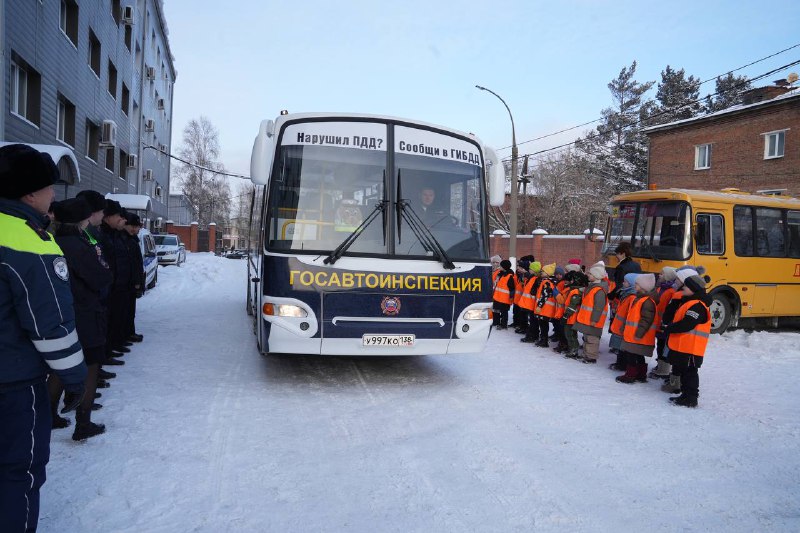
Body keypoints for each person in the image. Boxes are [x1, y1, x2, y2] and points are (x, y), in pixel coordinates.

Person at [0, 144, 87, 530]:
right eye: (50, 187)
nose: (54, 195)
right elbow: (51, 325)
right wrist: (75, 379)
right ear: (29, 193)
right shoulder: (29, 239)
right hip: (13, 385)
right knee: (18, 473)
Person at [51, 197, 112, 440]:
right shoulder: (79, 245)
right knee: (90, 366)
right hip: (85, 313)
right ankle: (83, 423)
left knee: (58, 366)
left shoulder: (53, 241)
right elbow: (100, 278)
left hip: (61, 314)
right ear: (82, 220)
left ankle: (49, 416)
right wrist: (100, 261)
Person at [664, 270, 712, 408]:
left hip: (691, 348)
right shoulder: (691, 303)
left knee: (690, 373)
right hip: (685, 347)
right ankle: (685, 395)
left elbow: (687, 324)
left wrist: (670, 328)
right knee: (685, 372)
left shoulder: (697, 306)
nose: (683, 288)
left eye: (686, 286)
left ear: (693, 289)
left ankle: (691, 398)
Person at [615, 273, 658, 384]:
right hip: (633, 334)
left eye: (637, 284)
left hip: (637, 336)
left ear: (644, 287)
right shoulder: (640, 299)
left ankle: (631, 375)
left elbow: (646, 320)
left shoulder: (647, 301)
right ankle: (640, 374)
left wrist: (639, 334)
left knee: (632, 356)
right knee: (637, 355)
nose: (635, 285)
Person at [574, 263, 609, 364]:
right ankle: (586, 354)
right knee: (587, 337)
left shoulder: (599, 291)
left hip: (593, 320)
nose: (588, 275)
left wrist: (595, 320)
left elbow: (598, 307)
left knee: (592, 339)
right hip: (588, 319)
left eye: (590, 274)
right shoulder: (592, 287)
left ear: (596, 276)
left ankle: (591, 357)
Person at [561, 270, 589, 359]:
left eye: (572, 280)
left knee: (570, 334)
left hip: (571, 317)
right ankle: (572, 348)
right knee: (570, 334)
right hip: (571, 317)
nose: (571, 281)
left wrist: (566, 316)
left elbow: (572, 306)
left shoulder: (576, 292)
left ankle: (574, 349)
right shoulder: (575, 290)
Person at [492, 259, 515, 329]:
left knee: (504, 312)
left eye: (501, 266)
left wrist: (511, 298)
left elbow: (512, 289)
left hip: (504, 299)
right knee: (495, 310)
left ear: (504, 267)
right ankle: (496, 322)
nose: (500, 267)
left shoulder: (510, 276)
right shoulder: (500, 274)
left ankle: (503, 325)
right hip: (497, 296)